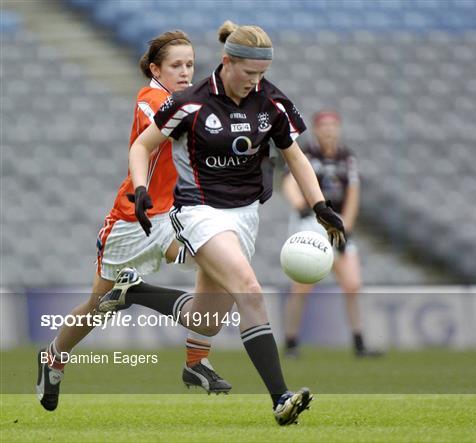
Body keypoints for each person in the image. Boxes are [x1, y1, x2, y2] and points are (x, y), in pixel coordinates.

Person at [98, 20, 346, 426]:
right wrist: (141, 188)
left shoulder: (271, 101)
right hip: (198, 211)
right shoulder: (191, 102)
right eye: (249, 73)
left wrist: (320, 205)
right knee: (249, 289)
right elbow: (143, 146)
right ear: (227, 62)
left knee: (207, 320)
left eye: (261, 74)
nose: (255, 82)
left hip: (245, 214)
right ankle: (280, 398)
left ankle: (134, 291)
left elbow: (295, 156)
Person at [36, 30, 231, 413]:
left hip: (173, 216)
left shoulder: (189, 102)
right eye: (176, 65)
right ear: (155, 69)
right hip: (133, 220)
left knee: (222, 263)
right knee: (97, 306)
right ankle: (54, 357)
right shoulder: (150, 100)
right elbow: (167, 131)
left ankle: (197, 361)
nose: (185, 71)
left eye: (190, 64)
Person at [282, 110, 382, 358]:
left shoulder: (347, 158)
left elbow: (353, 193)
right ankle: (291, 342)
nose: (328, 130)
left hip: (336, 223)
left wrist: (345, 226)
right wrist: (301, 206)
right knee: (302, 287)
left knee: (352, 284)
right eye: (324, 126)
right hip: (311, 223)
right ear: (316, 129)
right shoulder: (306, 153)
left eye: (333, 125)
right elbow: (289, 182)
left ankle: (359, 343)